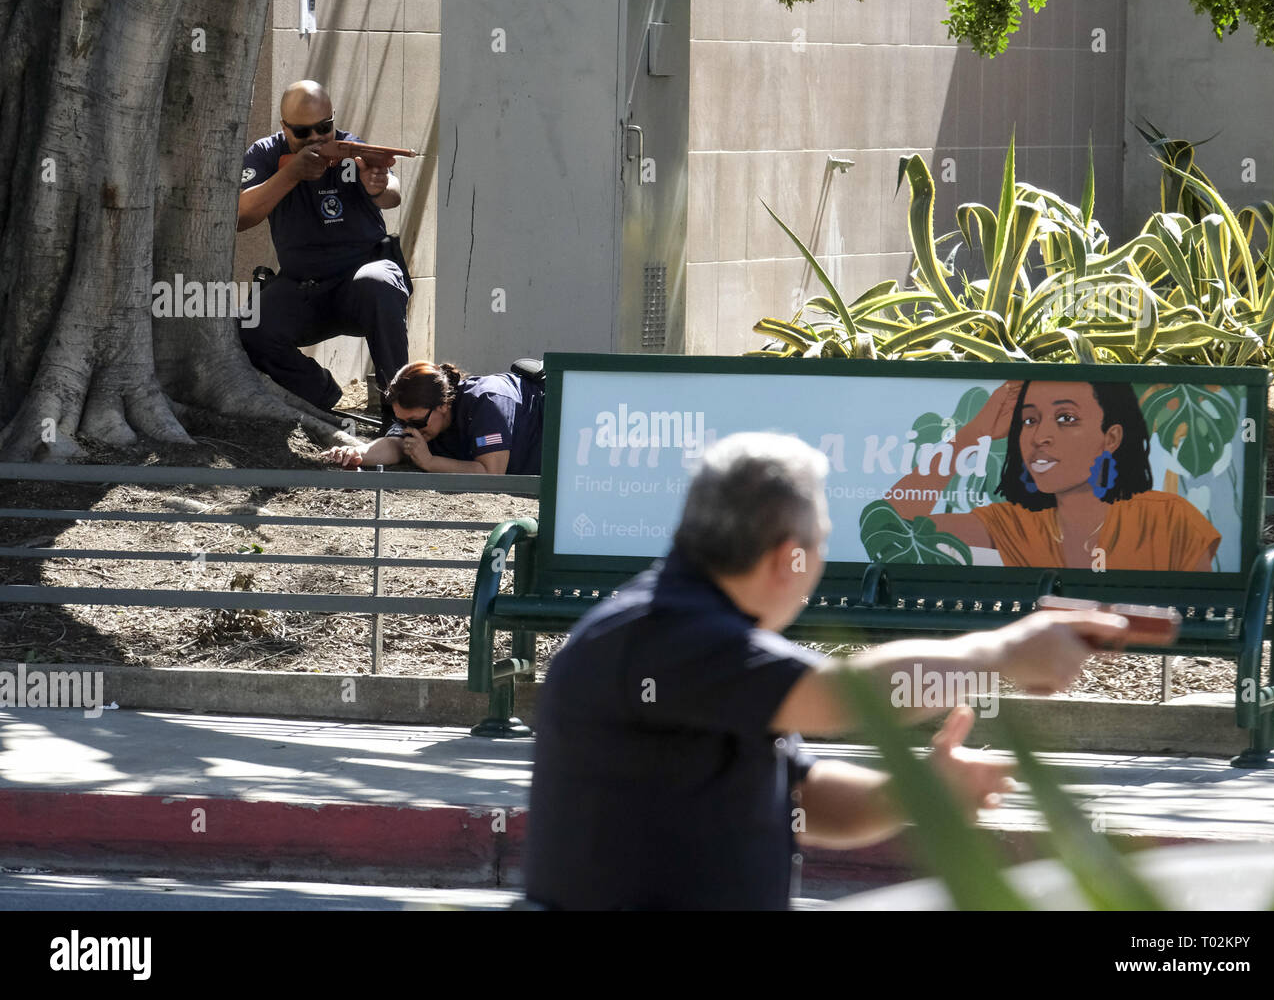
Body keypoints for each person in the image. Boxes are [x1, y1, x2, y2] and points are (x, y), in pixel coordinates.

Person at [523, 432, 1149, 911]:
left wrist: (920, 791)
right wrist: (1004, 656)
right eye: (823, 541)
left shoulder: (693, 639)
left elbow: (803, 801)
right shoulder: (665, 635)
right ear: (786, 559)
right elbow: (842, 699)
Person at [886, 380, 1221, 571]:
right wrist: (973, 434)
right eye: (1029, 420)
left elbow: (1201, 611)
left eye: (1066, 419)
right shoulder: (1012, 525)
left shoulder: (1170, 520)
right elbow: (892, 530)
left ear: (1111, 438)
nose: (1038, 437)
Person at [236, 80, 409, 416]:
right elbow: (241, 216)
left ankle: (401, 416)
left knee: (381, 283)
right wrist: (292, 175)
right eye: (302, 132)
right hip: (303, 286)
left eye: (324, 128)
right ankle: (322, 395)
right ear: (284, 128)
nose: (315, 139)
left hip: (360, 284)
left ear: (333, 120)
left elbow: (393, 192)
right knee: (250, 326)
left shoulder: (348, 147)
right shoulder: (266, 155)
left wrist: (379, 186)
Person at [322, 361, 544, 475]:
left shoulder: (487, 403)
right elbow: (396, 445)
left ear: (444, 404)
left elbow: (491, 473)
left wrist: (430, 462)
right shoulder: (424, 417)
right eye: (402, 421)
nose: (411, 430)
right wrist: (356, 454)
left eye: (416, 422)